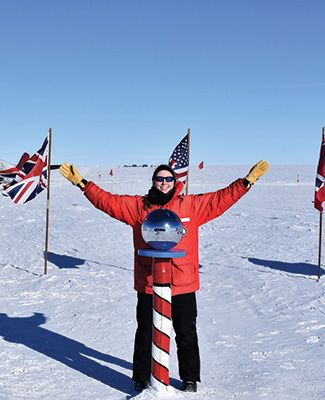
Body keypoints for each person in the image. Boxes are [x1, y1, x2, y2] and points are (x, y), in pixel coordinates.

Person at [59, 160, 269, 392]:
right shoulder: (139, 207)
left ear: (175, 182)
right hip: (150, 283)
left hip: (183, 283)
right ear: (153, 182)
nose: (164, 183)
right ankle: (141, 377)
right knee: (146, 331)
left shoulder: (190, 206)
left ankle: (189, 378)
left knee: (186, 333)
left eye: (169, 179)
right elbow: (109, 201)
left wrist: (247, 182)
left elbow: (220, 199)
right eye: (160, 178)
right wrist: (82, 184)